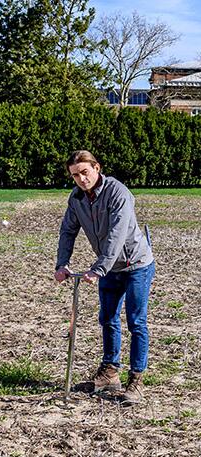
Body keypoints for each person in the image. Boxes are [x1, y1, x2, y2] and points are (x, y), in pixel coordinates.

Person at [55, 150, 155, 406]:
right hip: (110, 268)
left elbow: (116, 234)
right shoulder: (77, 198)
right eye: (75, 175)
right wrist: (62, 263)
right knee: (108, 319)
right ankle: (110, 372)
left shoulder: (118, 192)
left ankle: (136, 380)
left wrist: (98, 268)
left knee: (136, 321)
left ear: (97, 168)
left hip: (136, 265)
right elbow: (68, 230)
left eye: (85, 172)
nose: (81, 179)